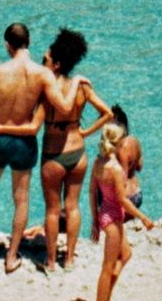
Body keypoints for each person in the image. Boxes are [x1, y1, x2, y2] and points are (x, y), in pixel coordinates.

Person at [0, 22, 79, 274]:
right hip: (24, 143)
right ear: (29, 43)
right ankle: (11, 258)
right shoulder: (42, 74)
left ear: (7, 45)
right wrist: (76, 81)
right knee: (21, 201)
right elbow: (65, 107)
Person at [40, 28, 113, 272]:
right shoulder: (81, 86)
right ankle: (69, 259)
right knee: (72, 206)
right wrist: (85, 132)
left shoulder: (46, 88)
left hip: (53, 154)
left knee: (52, 209)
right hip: (78, 153)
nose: (43, 65)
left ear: (57, 64)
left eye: (45, 60)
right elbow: (108, 113)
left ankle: (51, 262)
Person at [91, 123, 154, 301]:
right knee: (107, 267)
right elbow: (123, 200)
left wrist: (95, 221)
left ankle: (106, 294)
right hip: (112, 219)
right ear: (118, 144)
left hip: (106, 215)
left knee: (125, 255)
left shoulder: (98, 162)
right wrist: (144, 218)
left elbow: (91, 192)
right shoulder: (116, 170)